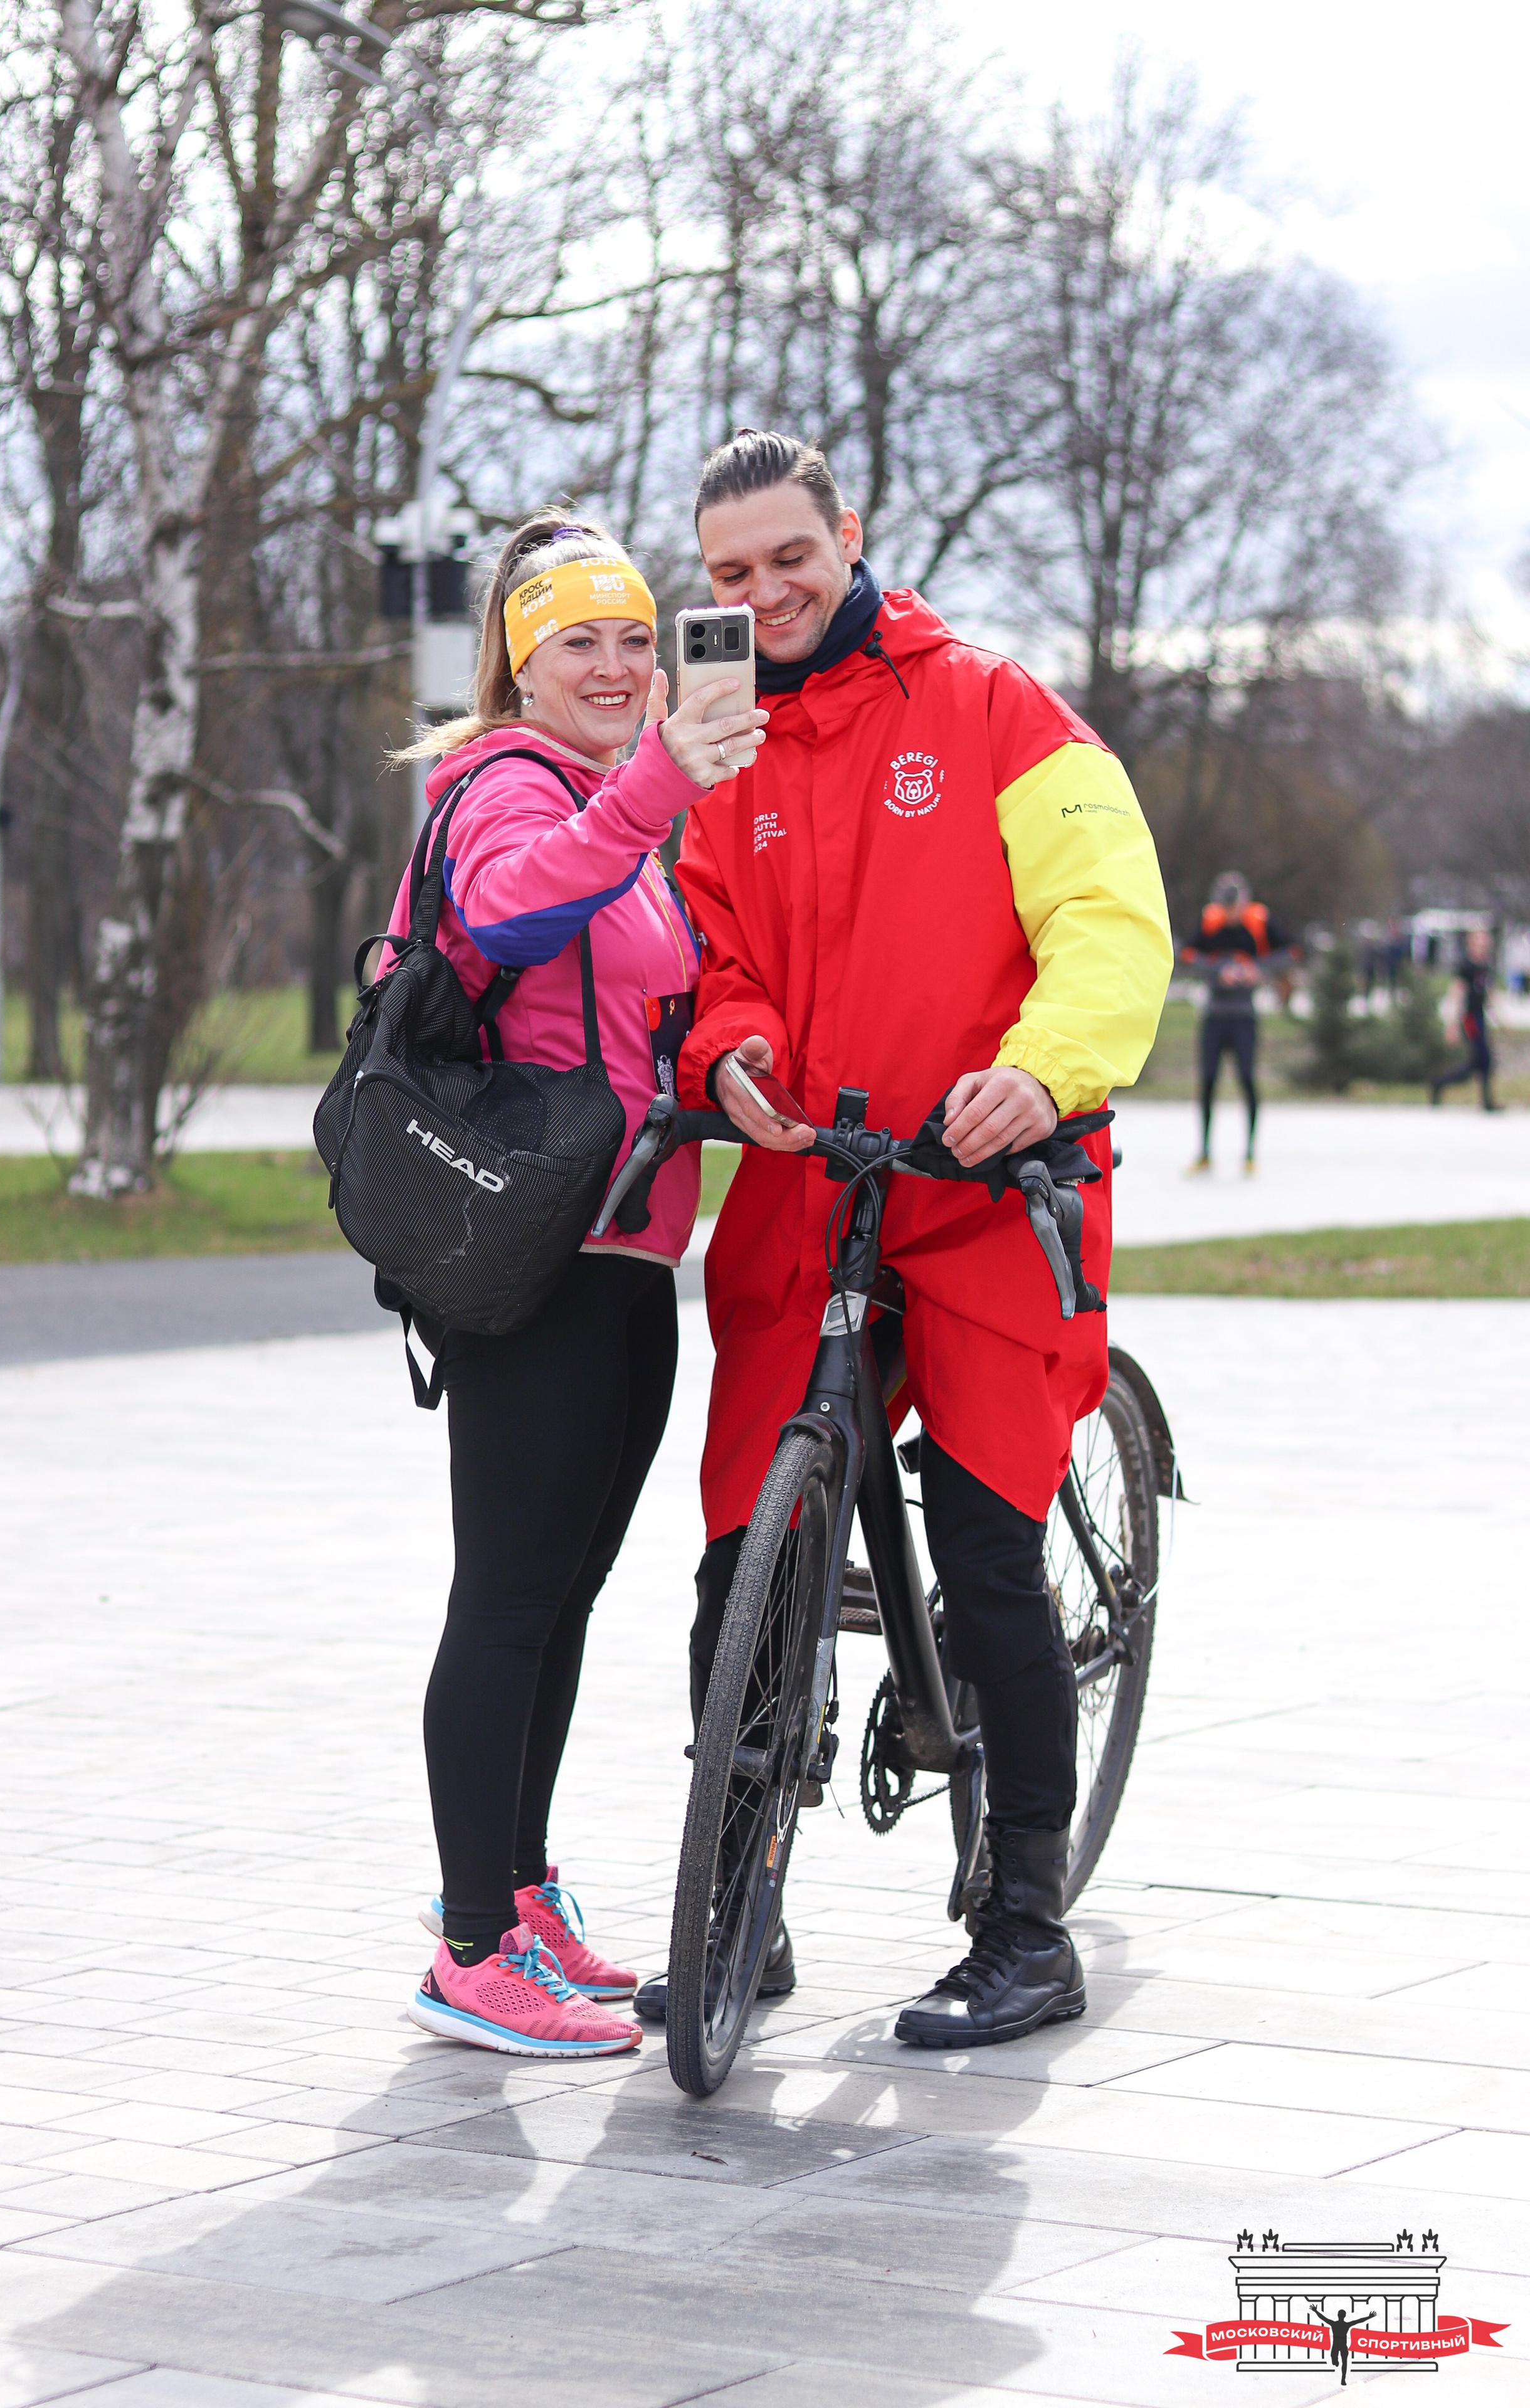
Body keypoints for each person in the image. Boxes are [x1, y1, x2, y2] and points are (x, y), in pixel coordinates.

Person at [634, 428, 1172, 2047]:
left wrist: (1042, 1068)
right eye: (729, 575)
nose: (767, 594)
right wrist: (722, 1051)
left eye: (790, 557)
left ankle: (1024, 1925)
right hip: (810, 1190)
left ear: (848, 535)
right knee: (746, 1559)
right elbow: (701, 952)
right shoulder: (714, 751)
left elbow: (1111, 911)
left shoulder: (995, 704)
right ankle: (743, 1903)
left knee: (990, 1554)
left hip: (988, 1182)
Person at [386, 509, 767, 2058]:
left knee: (562, 1595)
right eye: (576, 642)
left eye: (633, 638)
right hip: (531, 1252)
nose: (614, 666)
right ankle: (468, 1944)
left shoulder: (618, 807)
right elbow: (504, 914)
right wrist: (659, 779)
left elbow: (630, 1005)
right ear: (516, 663)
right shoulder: (499, 782)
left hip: (625, 1247)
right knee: (506, 1595)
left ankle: (520, 1890)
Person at [1179, 872, 1296, 1174]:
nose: (1231, 913)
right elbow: (1188, 955)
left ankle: (1250, 1153)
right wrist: (1218, 970)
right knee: (1207, 1081)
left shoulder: (1259, 922)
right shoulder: (1210, 922)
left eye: (1235, 907)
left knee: (1247, 1079)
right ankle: (1204, 1152)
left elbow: (1291, 952)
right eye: (1226, 907)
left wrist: (1257, 969)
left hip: (1245, 1015)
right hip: (1214, 1014)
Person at [1430, 926, 1501, 1111]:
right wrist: (1452, 1024)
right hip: (1468, 1017)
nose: (1484, 943)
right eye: (1479, 939)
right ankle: (1440, 1083)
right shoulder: (1466, 966)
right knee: (1481, 1058)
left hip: (1480, 1016)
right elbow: (1457, 994)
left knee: (1483, 1060)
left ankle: (1485, 1100)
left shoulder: (1486, 965)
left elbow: (1490, 993)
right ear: (1471, 942)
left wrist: (1501, 1016)